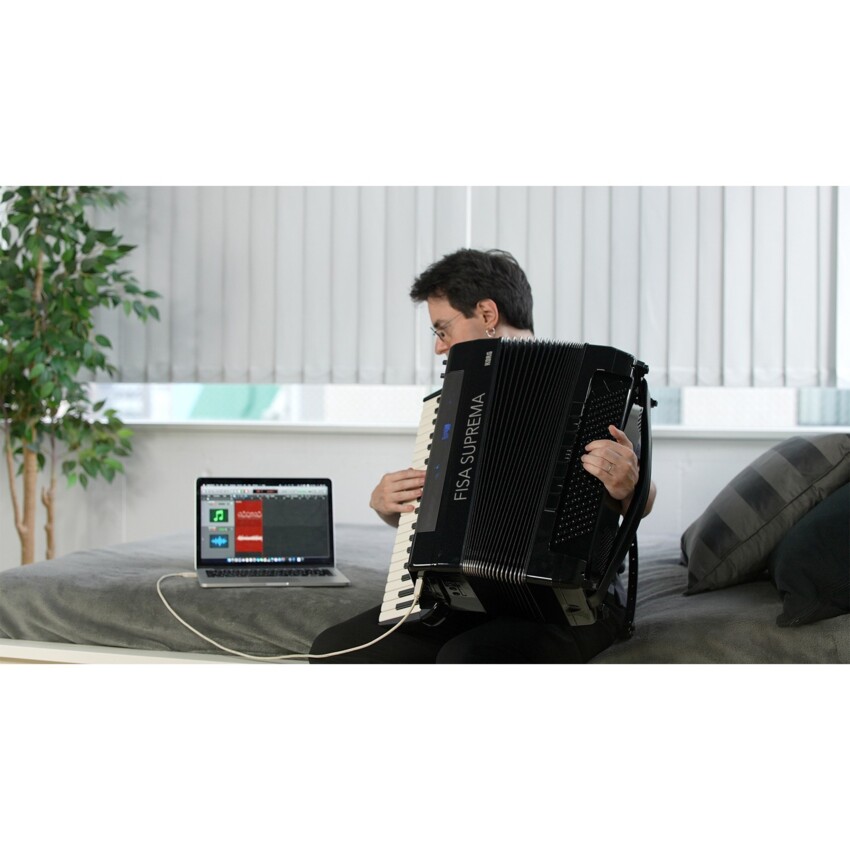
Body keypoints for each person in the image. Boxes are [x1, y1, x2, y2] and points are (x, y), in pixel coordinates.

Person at [310, 248, 657, 663]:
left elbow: (643, 498)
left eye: (442, 329)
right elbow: (446, 513)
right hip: (473, 596)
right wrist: (392, 508)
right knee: (333, 651)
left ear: (487, 314)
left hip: (573, 606)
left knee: (466, 658)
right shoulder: (457, 401)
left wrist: (631, 485)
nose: (439, 346)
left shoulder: (599, 384)